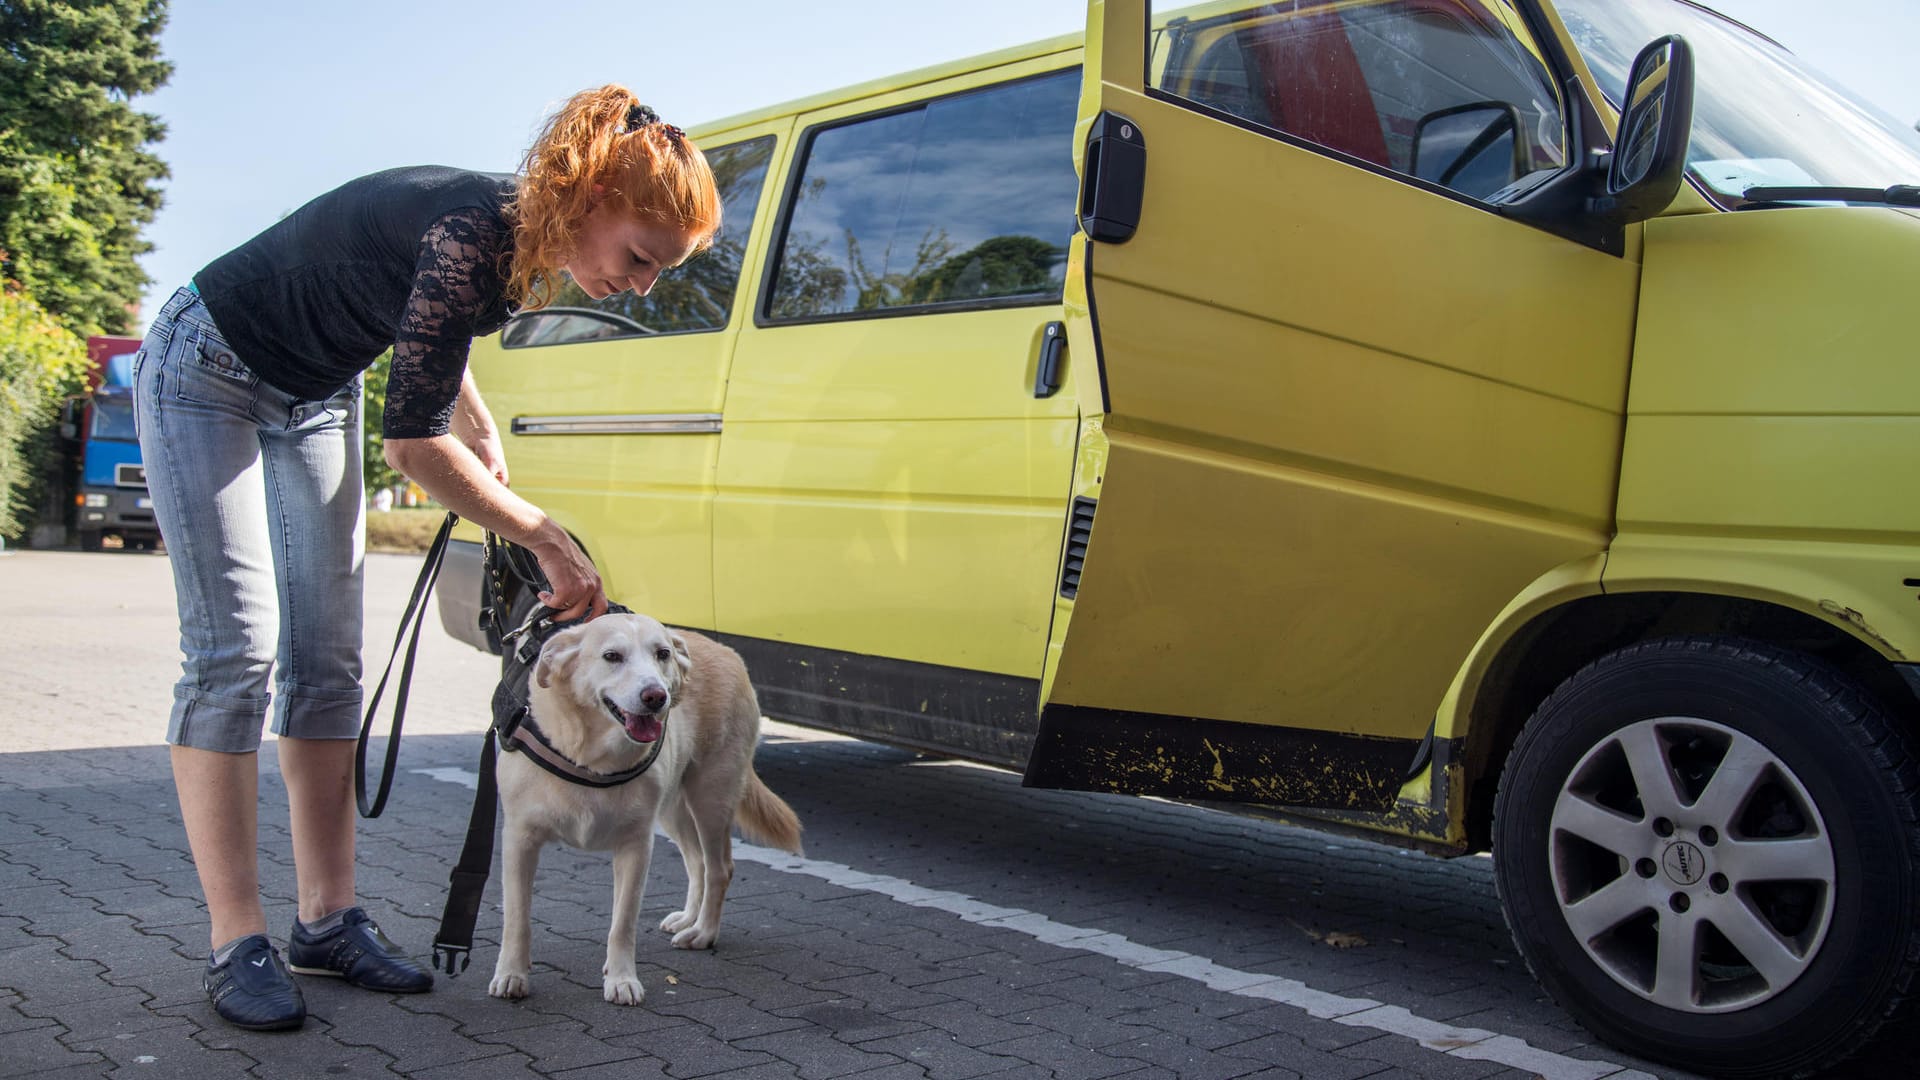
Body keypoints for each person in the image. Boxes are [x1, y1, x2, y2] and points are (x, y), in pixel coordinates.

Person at [130, 85, 721, 1032]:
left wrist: (475, 419)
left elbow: (430, 343)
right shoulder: (470, 226)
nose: (643, 283)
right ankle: (235, 938)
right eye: (642, 258)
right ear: (594, 198)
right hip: (209, 369)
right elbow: (411, 448)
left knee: (329, 661)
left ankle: (325, 920)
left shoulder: (527, 244)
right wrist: (545, 535)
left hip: (316, 393)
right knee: (235, 656)